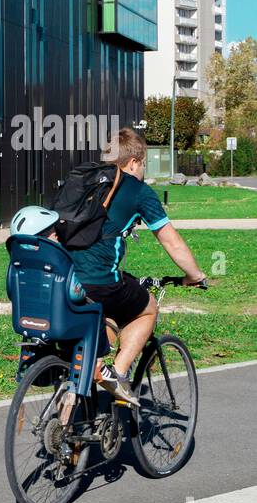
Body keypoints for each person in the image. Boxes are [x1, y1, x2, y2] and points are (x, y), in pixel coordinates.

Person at [69, 127, 207, 405]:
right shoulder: (137, 190)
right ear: (133, 162)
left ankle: (79, 395)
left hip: (65, 276)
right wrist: (195, 274)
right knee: (147, 308)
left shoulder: (84, 181)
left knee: (106, 314)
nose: (143, 170)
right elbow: (171, 241)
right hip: (100, 279)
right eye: (143, 164)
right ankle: (117, 376)